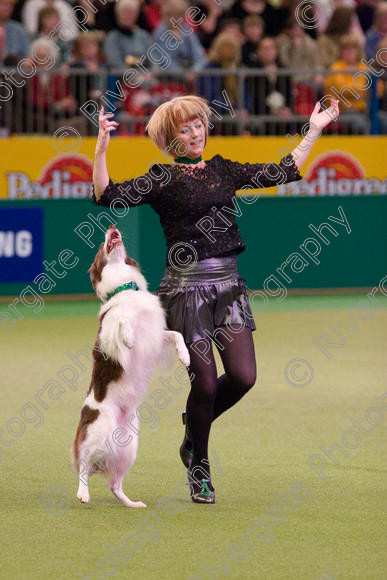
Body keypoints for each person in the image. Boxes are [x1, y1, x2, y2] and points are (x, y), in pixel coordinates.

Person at [92, 94, 340, 503]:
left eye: (198, 125)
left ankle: (192, 430)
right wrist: (101, 147)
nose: (195, 133)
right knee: (204, 384)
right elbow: (108, 195)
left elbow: (284, 169)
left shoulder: (223, 169)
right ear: (171, 139)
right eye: (184, 129)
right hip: (186, 292)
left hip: (228, 288)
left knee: (243, 377)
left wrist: (313, 129)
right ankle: (200, 469)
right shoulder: (163, 178)